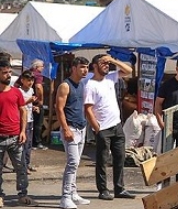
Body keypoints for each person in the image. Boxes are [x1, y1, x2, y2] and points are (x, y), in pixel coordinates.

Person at [83, 54, 135, 201]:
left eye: (107, 64)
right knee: (102, 160)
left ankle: (119, 188)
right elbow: (88, 109)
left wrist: (112, 60)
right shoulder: (90, 85)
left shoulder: (111, 77)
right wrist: (97, 128)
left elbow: (128, 70)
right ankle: (103, 189)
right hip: (103, 128)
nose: (106, 66)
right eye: (103, 63)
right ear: (95, 66)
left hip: (117, 125)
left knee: (119, 158)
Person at [56, 57, 91, 208]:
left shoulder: (82, 84)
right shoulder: (65, 85)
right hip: (70, 128)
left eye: (87, 67)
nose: (85, 70)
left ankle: (73, 193)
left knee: (76, 164)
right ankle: (65, 197)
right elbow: (59, 108)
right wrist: (65, 128)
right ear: (74, 68)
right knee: (72, 162)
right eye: (82, 67)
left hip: (81, 127)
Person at [0, 60, 36, 207]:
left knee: (21, 168)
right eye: (4, 72)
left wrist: (23, 131)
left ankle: (23, 195)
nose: (8, 75)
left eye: (9, 72)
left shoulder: (16, 92)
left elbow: (23, 111)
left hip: (16, 137)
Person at [16, 71, 38, 174]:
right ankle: (22, 165)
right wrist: (28, 102)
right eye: (28, 80)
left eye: (32, 80)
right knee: (23, 144)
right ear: (22, 80)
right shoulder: (18, 91)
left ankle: (27, 163)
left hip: (30, 119)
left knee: (29, 144)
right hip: (22, 120)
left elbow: (29, 106)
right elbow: (17, 106)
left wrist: (33, 107)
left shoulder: (31, 90)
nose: (30, 82)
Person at [29, 59, 47, 151]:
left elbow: (16, 85)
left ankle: (30, 142)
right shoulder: (38, 75)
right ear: (37, 67)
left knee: (29, 123)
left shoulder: (27, 74)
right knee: (38, 123)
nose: (43, 68)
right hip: (35, 102)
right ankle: (37, 142)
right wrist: (40, 100)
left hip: (26, 101)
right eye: (42, 66)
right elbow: (38, 87)